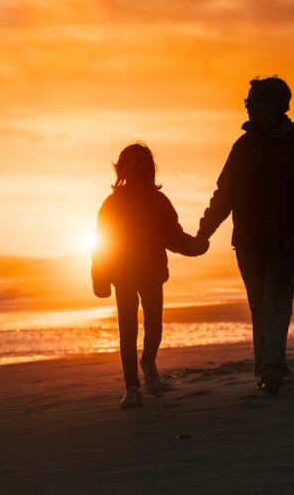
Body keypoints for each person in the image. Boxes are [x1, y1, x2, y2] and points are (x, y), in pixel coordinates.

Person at [195, 76, 294, 394]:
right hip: (248, 240)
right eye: (247, 102)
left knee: (276, 303)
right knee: (259, 305)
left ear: (274, 105)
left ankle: (273, 365)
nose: (248, 107)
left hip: (283, 240)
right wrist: (204, 231)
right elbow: (225, 194)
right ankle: (267, 365)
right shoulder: (243, 146)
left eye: (253, 101)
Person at [92, 142, 206, 409]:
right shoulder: (112, 203)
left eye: (141, 162)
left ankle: (148, 362)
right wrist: (99, 276)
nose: (135, 166)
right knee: (127, 331)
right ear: (121, 168)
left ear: (149, 167)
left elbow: (172, 235)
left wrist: (195, 246)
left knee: (154, 325)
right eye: (129, 162)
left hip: (153, 271)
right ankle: (132, 388)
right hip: (122, 274)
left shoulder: (158, 200)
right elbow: (101, 241)